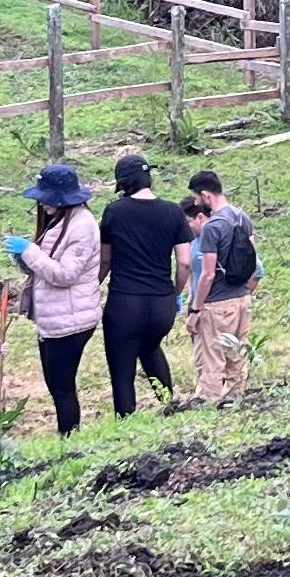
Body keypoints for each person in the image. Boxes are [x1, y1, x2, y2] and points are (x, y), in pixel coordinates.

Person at [6, 161, 104, 433]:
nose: (42, 204)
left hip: (72, 320)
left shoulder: (82, 226)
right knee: (57, 386)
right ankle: (68, 437)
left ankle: (69, 439)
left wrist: (29, 252)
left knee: (62, 388)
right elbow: (45, 265)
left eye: (46, 198)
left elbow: (64, 275)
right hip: (57, 317)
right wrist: (24, 258)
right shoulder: (62, 220)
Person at [95, 155, 191, 415]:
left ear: (123, 184)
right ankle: (168, 405)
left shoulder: (115, 211)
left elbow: (105, 260)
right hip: (162, 305)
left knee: (122, 366)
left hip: (125, 303)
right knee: (150, 347)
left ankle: (126, 418)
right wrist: (175, 293)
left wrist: (92, 288)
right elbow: (184, 262)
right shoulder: (173, 211)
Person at [182, 170, 261, 401]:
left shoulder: (212, 227)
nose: (197, 203)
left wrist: (195, 309)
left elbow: (207, 274)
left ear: (206, 195)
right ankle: (235, 401)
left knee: (212, 361)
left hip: (216, 303)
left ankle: (210, 405)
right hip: (242, 299)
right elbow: (253, 259)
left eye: (197, 198)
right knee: (236, 356)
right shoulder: (242, 217)